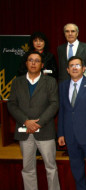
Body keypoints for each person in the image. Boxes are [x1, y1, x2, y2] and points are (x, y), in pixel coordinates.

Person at [7, 51, 60, 190]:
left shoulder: (50, 81)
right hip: (24, 131)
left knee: (51, 167)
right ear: (26, 63)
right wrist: (26, 121)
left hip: (45, 130)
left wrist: (38, 123)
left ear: (42, 65)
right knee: (28, 168)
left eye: (37, 61)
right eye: (31, 60)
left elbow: (54, 104)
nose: (33, 63)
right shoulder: (17, 81)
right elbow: (11, 104)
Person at [58, 56, 86, 190]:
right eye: (71, 65)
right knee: (77, 171)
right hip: (70, 135)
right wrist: (60, 133)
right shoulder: (63, 86)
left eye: (77, 65)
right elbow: (62, 110)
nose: (74, 67)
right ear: (67, 69)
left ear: (83, 69)